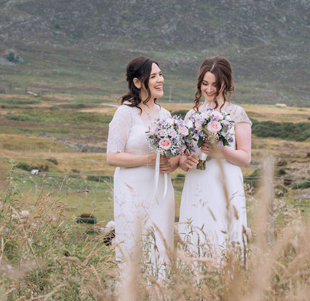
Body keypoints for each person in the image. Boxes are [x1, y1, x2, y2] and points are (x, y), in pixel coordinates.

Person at [106, 56, 178, 274]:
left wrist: (171, 163)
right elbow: (113, 157)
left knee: (159, 246)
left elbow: (173, 156)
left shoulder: (165, 115)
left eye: (160, 74)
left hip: (161, 193)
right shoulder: (125, 113)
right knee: (133, 244)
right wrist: (149, 159)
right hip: (132, 191)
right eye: (153, 76)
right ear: (138, 82)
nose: (160, 80)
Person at [178, 56, 252, 256]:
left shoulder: (236, 113)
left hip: (224, 179)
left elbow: (245, 158)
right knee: (195, 231)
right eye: (205, 84)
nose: (209, 89)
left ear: (225, 84)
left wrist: (220, 151)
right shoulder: (191, 115)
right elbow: (184, 159)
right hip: (196, 180)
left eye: (215, 85)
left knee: (222, 232)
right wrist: (186, 162)